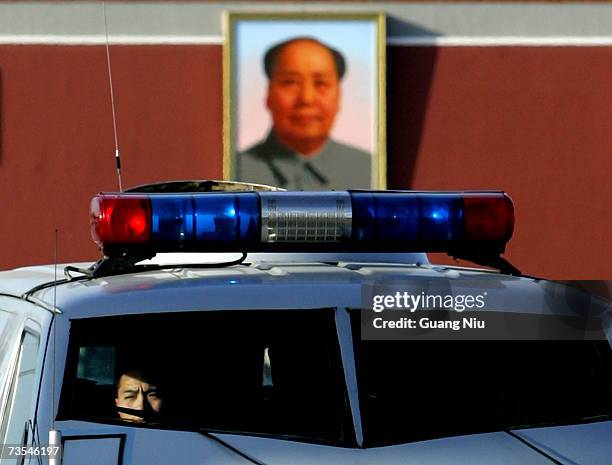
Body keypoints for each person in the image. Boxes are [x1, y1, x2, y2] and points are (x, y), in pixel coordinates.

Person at [237, 37, 372, 190]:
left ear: (339, 97)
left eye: (320, 83)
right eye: (290, 82)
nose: (306, 98)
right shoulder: (236, 171)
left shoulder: (371, 169)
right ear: (268, 95)